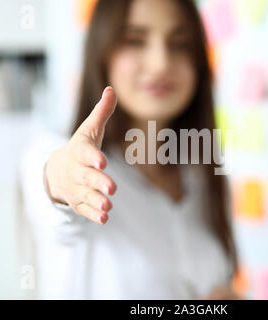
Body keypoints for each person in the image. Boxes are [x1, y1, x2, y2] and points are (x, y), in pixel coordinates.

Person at [19, 0, 239, 299]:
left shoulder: (205, 178)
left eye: (180, 43)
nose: (161, 62)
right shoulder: (68, 161)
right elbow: (53, 182)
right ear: (102, 53)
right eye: (135, 40)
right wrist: (65, 177)